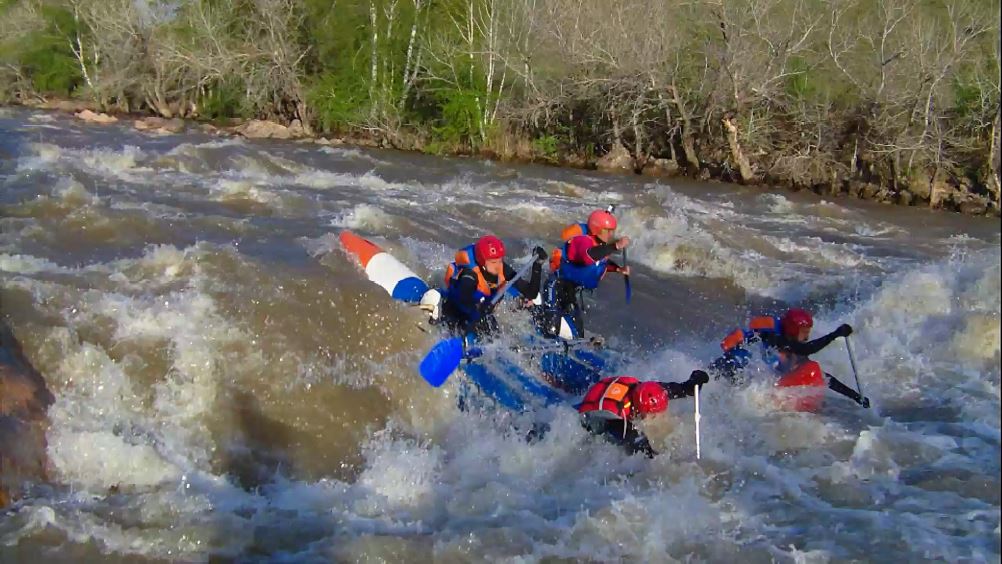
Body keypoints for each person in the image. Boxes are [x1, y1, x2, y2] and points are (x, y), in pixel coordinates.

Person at [710, 308, 869, 407]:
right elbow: (808, 348)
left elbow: (824, 377)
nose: (806, 337)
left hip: (748, 374)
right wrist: (835, 334)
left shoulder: (789, 344)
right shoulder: (772, 336)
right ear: (793, 329)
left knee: (810, 368)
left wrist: (855, 396)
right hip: (731, 368)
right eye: (804, 332)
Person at [538, 209, 630, 337]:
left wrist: (618, 269)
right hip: (556, 287)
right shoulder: (583, 241)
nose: (610, 235)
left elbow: (599, 264)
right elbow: (588, 256)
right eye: (607, 231)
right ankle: (543, 335)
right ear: (597, 229)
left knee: (578, 331)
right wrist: (616, 246)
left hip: (569, 292)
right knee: (552, 327)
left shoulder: (601, 247)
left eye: (611, 231)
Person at [578, 369, 710, 458]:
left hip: (609, 393)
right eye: (653, 415)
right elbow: (638, 452)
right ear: (642, 412)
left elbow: (684, 389)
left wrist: (696, 381)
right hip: (597, 415)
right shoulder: (621, 420)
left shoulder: (647, 389)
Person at [440, 235, 547, 338]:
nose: (498, 266)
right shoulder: (469, 275)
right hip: (457, 311)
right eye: (493, 262)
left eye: (500, 260)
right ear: (482, 262)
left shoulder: (500, 267)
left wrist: (537, 266)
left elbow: (531, 293)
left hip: (481, 315)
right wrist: (479, 307)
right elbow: (464, 298)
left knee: (495, 337)